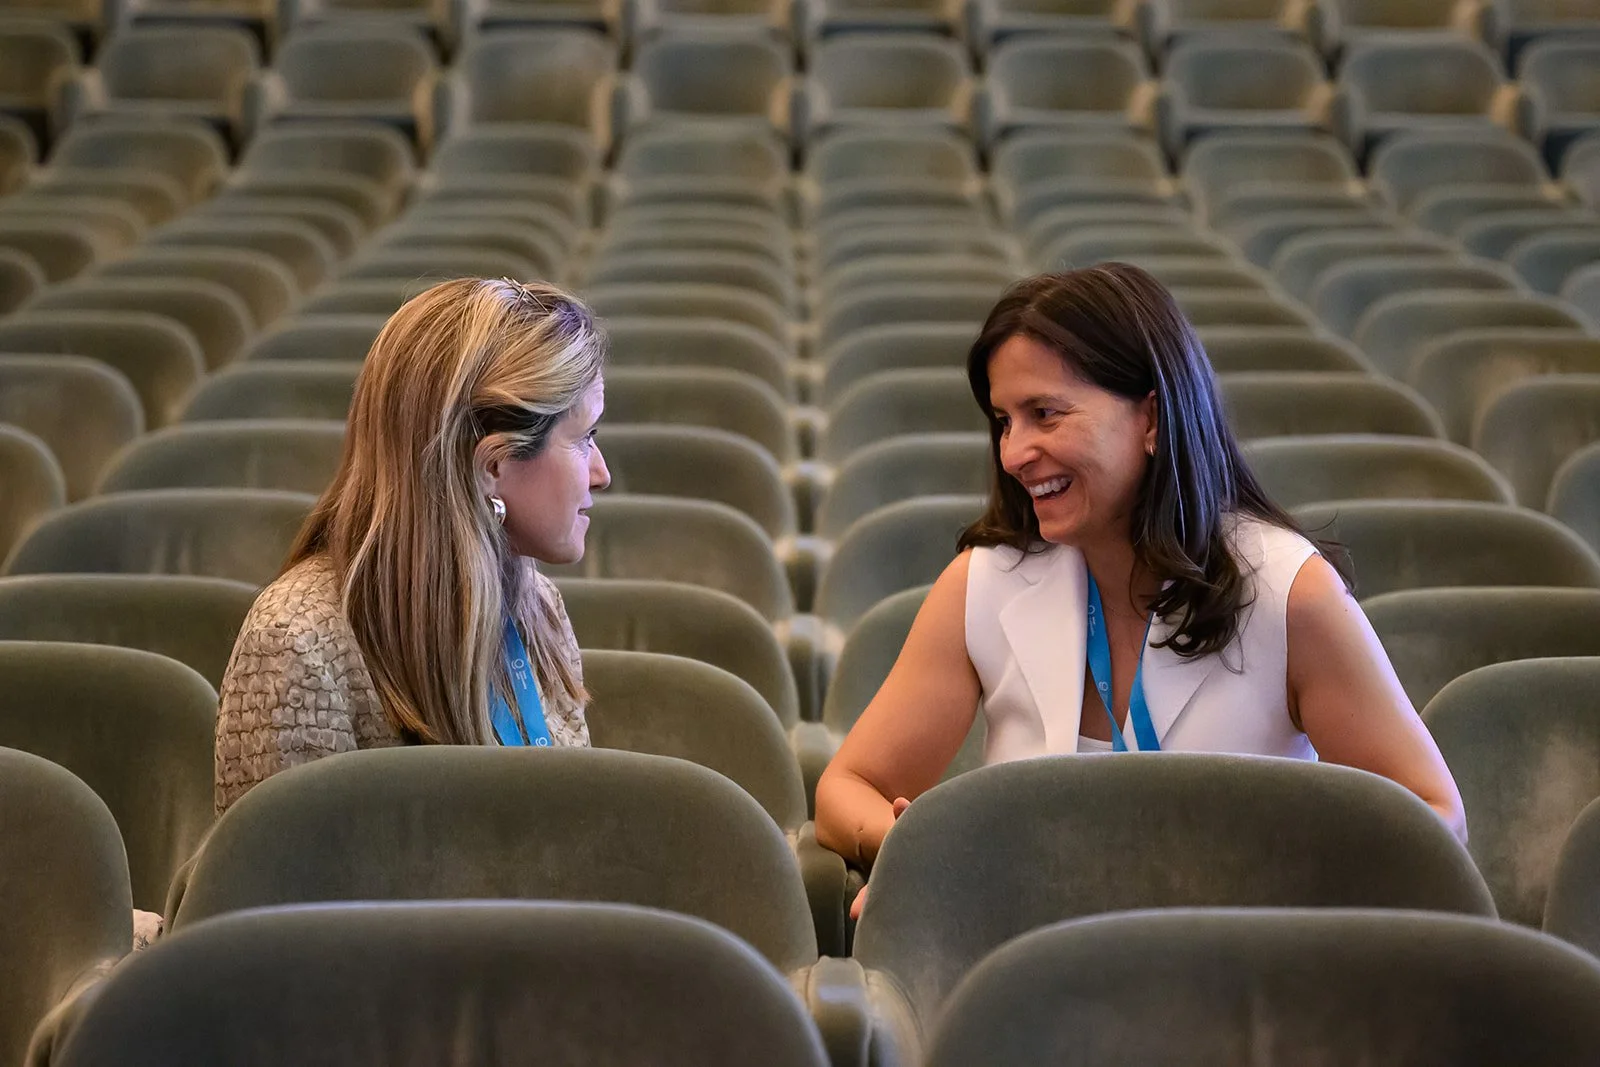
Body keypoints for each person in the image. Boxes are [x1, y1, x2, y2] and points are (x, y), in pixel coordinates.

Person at [815, 265, 1467, 903]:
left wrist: (1288, 886)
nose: (1013, 452)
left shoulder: (1290, 594)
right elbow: (847, 785)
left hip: (1242, 976)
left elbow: (1436, 817)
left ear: (1151, 419)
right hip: (1027, 968)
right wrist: (915, 858)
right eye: (1005, 420)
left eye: (1045, 413)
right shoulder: (984, 583)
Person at [214, 278, 610, 814]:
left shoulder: (539, 606)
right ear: (492, 465)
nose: (601, 472)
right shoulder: (296, 644)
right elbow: (271, 890)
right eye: (583, 437)